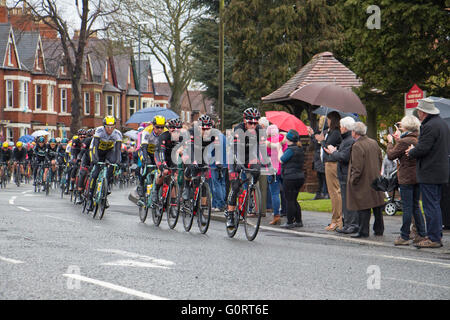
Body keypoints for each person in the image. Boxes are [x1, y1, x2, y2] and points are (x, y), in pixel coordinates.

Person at [406, 98, 450, 248]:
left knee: (430, 205)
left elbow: (424, 148)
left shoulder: (429, 126)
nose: (418, 113)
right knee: (436, 204)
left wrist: (411, 151)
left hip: (430, 171)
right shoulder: (442, 124)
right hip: (441, 170)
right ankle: (436, 235)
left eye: (419, 111)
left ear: (423, 112)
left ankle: (433, 238)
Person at [386, 115, 427, 245]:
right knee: (415, 206)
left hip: (406, 178)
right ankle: (421, 234)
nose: (400, 127)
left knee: (407, 207)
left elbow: (391, 155)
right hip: (417, 176)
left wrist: (390, 142)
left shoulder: (405, 141)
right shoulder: (418, 138)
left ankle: (404, 236)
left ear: (407, 127)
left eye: (402, 125)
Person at [225, 107, 267, 230]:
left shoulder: (259, 130)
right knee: (235, 185)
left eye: (255, 122)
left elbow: (262, 148)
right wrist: (238, 161)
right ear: (244, 121)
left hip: (249, 156)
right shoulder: (239, 129)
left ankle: (251, 190)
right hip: (235, 156)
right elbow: (237, 147)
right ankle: (230, 214)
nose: (253, 125)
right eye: (250, 123)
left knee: (257, 168)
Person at [347, 122, 385, 238]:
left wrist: (353, 180)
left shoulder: (357, 146)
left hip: (363, 180)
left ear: (354, 132)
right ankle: (379, 229)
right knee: (376, 204)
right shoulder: (373, 142)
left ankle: (363, 231)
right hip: (374, 177)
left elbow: (357, 167)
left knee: (363, 206)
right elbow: (380, 159)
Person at [324, 117, 359, 234]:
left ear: (345, 127)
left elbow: (344, 157)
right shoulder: (347, 140)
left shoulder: (349, 141)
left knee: (347, 200)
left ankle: (351, 224)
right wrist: (335, 152)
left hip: (346, 174)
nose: (340, 128)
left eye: (341, 126)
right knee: (345, 200)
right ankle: (347, 224)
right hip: (344, 173)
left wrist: (334, 152)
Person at [88, 116, 122, 210]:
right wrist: (95, 159)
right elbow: (94, 146)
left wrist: (118, 161)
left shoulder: (117, 134)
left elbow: (118, 150)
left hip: (109, 151)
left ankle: (104, 192)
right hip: (97, 150)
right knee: (95, 174)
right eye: (108, 127)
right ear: (104, 126)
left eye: (112, 127)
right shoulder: (99, 131)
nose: (110, 129)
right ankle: (90, 198)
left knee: (112, 166)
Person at [315, 111, 342, 231]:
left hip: (332, 164)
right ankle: (335, 219)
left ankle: (337, 219)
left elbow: (327, 148)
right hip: (328, 163)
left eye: (329, 119)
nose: (327, 121)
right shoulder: (331, 132)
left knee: (334, 192)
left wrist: (322, 141)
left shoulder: (335, 132)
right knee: (333, 192)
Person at [137, 115, 167, 203]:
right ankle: (141, 185)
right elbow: (143, 147)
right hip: (146, 150)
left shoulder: (166, 132)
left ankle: (156, 191)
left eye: (162, 127)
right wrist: (145, 160)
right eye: (157, 127)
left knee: (160, 170)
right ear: (153, 126)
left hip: (157, 152)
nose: (160, 130)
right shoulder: (147, 131)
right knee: (145, 164)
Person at [279, 129, 305, 229]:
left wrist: (278, 149)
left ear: (288, 139)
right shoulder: (299, 148)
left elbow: (281, 159)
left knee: (289, 199)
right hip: (299, 177)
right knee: (294, 199)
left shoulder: (290, 150)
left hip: (290, 177)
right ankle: (298, 220)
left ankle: (289, 222)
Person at [265, 124, 287, 225]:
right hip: (284, 167)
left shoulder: (268, 142)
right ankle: (288, 212)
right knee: (286, 192)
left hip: (272, 168)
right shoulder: (283, 139)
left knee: (274, 193)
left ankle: (276, 215)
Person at [308, 116, 329, 200]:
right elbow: (316, 143)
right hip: (318, 156)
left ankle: (325, 193)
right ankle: (320, 193)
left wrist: (312, 135)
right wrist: (312, 135)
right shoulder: (320, 132)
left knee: (324, 176)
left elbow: (318, 143)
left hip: (321, 156)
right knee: (320, 177)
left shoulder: (326, 132)